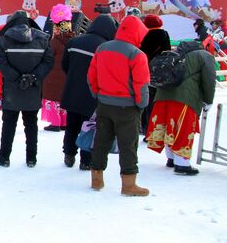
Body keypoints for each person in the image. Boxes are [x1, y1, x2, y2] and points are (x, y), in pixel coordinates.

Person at [87, 15, 150, 196]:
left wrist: (98, 95)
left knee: (101, 142)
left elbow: (91, 76)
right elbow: (141, 84)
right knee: (128, 145)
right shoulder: (137, 54)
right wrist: (141, 104)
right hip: (127, 108)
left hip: (104, 104)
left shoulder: (102, 48)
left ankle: (96, 179)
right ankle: (129, 185)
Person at [145, 40, 215, 175]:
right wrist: (208, 100)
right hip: (185, 97)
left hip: (163, 96)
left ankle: (171, 158)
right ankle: (182, 163)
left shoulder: (174, 53)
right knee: (183, 128)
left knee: (168, 126)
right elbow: (209, 80)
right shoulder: (204, 55)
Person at [0, 11, 53, 168]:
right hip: (33, 89)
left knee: (8, 125)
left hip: (12, 90)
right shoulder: (42, 39)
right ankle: (31, 158)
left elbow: (1, 62)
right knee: (31, 125)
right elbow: (48, 61)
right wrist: (33, 77)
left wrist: (16, 77)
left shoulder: (4, 40)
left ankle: (4, 157)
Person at [60, 14, 117, 170]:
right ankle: (86, 160)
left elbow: (65, 65)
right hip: (92, 95)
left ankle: (69, 154)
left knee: (71, 125)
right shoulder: (106, 47)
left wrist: (74, 78)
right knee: (89, 127)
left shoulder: (74, 42)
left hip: (72, 91)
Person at [41, 4, 76, 132]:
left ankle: (55, 123)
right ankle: (64, 122)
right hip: (66, 75)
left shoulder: (54, 42)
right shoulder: (73, 39)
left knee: (53, 99)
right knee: (63, 100)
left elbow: (48, 57)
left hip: (52, 76)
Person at [140, 15, 171, 133]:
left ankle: (146, 128)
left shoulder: (146, 35)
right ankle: (157, 128)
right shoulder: (165, 34)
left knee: (147, 100)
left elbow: (142, 53)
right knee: (158, 102)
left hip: (146, 71)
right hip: (161, 71)